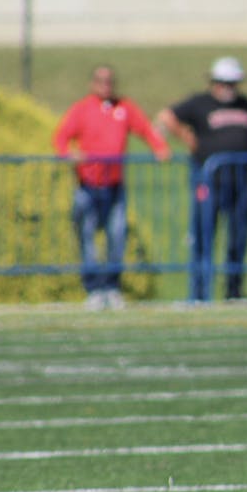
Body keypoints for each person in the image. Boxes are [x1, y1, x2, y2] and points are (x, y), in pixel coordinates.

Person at [52, 64, 171, 310]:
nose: (105, 86)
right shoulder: (82, 109)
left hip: (115, 185)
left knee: (117, 235)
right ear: (92, 83)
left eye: (109, 81)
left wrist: (159, 148)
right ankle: (94, 289)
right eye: (100, 81)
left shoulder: (124, 107)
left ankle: (112, 287)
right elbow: (61, 137)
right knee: (87, 236)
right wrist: (68, 154)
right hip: (87, 185)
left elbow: (145, 129)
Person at [157, 56, 247, 303]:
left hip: (240, 180)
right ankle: (200, 292)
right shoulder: (200, 103)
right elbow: (166, 116)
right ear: (215, 82)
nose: (230, 88)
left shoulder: (246, 104)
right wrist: (187, 138)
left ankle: (233, 291)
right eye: (226, 83)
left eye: (234, 83)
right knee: (203, 236)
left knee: (239, 237)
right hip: (210, 182)